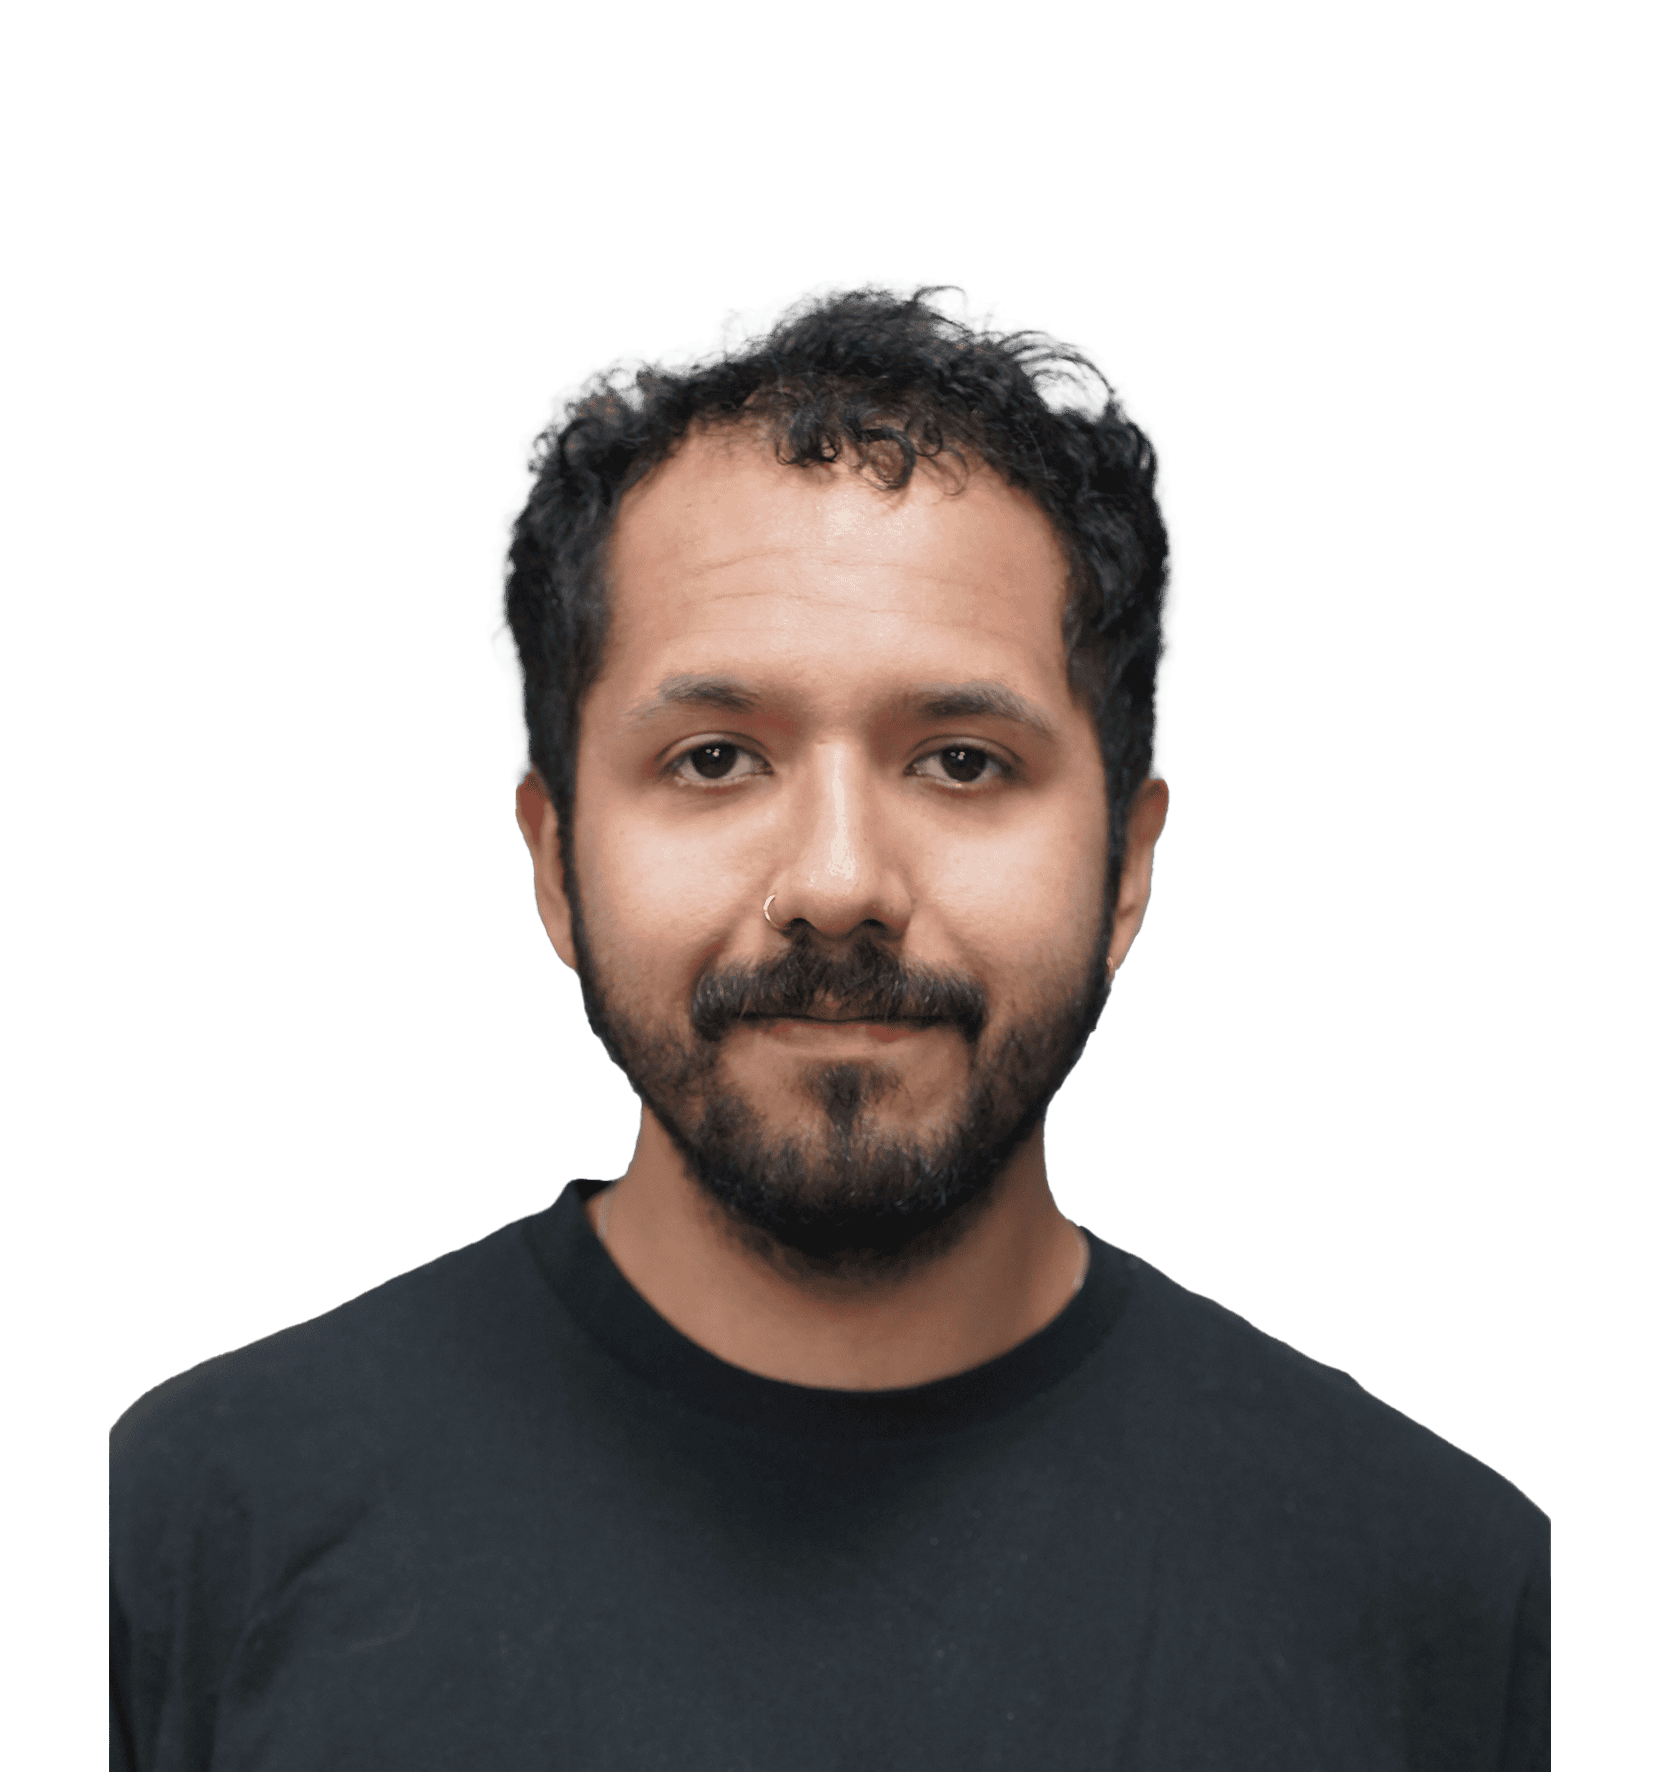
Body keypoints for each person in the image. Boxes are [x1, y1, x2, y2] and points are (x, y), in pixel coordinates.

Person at [110, 280, 1549, 1770]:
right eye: (716, 758)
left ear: (1124, 866)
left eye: (963, 761)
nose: (841, 886)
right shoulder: (189, 1529)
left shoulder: (1451, 1599)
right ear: (555, 861)